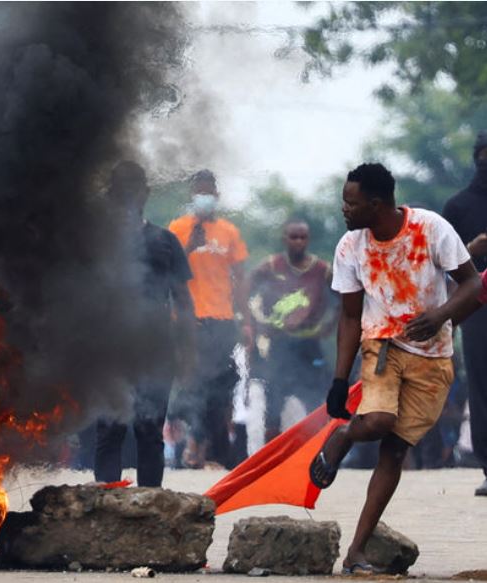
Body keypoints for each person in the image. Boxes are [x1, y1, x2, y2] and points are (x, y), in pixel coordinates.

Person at [309, 163, 478, 574]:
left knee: (395, 451)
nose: (344, 209)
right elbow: (350, 317)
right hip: (381, 344)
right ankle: (346, 434)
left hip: (434, 355)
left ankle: (356, 553)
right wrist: (338, 378)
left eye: (351, 203)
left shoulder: (431, 228)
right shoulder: (350, 246)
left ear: (376, 203)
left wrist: (440, 316)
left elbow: (474, 284)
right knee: (380, 419)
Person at [93, 161, 195, 487]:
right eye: (120, 191)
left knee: (149, 429)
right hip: (110, 349)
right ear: (111, 195)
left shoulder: (165, 241)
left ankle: (151, 504)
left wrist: (187, 347)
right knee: (110, 428)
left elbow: (184, 300)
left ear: (145, 194)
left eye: (133, 191)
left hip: (156, 349)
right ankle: (104, 504)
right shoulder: (96, 242)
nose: (127, 198)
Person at [168, 170, 249, 469]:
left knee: (222, 387)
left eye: (209, 191)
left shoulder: (229, 231)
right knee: (192, 385)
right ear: (192, 196)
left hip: (223, 320)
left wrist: (247, 320)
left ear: (215, 196)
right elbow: (168, 270)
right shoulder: (177, 228)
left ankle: (214, 450)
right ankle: (193, 445)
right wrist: (190, 244)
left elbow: (240, 279)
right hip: (188, 320)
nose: (204, 196)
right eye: (199, 191)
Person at [248, 220, 334, 440]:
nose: (298, 242)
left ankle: (318, 451)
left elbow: (347, 298)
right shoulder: (271, 266)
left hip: (309, 344)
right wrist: (255, 323)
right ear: (284, 238)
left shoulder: (322, 269)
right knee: (273, 402)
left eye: (302, 237)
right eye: (293, 237)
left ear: (308, 239)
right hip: (280, 344)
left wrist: (330, 325)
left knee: (317, 402)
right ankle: (271, 456)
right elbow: (244, 290)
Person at [441, 132, 487, 496]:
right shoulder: (458, 207)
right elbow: (440, 267)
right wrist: (472, 250)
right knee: (483, 383)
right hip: (478, 306)